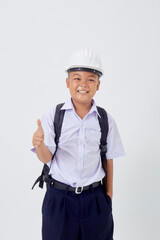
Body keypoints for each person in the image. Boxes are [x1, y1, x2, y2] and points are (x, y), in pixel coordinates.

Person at [31, 48, 125, 240]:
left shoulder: (105, 120)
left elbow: (108, 160)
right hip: (59, 199)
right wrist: (39, 144)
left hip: (95, 200)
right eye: (77, 78)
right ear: (68, 83)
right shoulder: (54, 116)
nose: (83, 84)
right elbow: (46, 157)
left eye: (91, 79)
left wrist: (108, 197)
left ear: (98, 85)